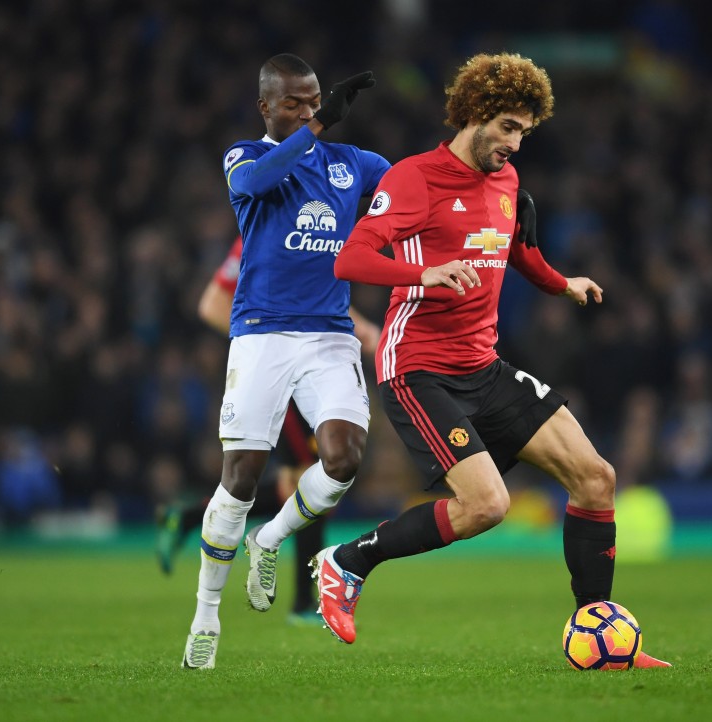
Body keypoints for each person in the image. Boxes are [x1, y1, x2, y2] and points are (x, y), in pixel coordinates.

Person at [317, 52, 671, 668]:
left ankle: (600, 628)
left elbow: (517, 253)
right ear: (475, 114)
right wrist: (423, 272)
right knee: (487, 506)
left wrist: (562, 283)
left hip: (484, 366)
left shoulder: (508, 185)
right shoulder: (413, 179)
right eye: (507, 126)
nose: (514, 143)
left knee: (597, 478)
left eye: (524, 133)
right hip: (418, 367)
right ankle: (348, 562)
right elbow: (350, 261)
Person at [181, 53, 391, 670]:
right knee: (240, 478)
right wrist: (313, 132)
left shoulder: (355, 166)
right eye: (293, 102)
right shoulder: (245, 158)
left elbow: (411, 189)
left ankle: (269, 539)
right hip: (261, 336)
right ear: (265, 107)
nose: (307, 110)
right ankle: (206, 617)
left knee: (344, 458)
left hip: (329, 335)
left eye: (314, 100)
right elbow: (251, 186)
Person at [157, 235, 380, 628]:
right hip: (280, 367)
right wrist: (267, 338)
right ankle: (299, 601)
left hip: (309, 360)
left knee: (307, 479)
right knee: (309, 476)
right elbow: (212, 304)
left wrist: (356, 326)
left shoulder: (308, 222)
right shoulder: (263, 228)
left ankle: (190, 517)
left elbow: (312, 292)